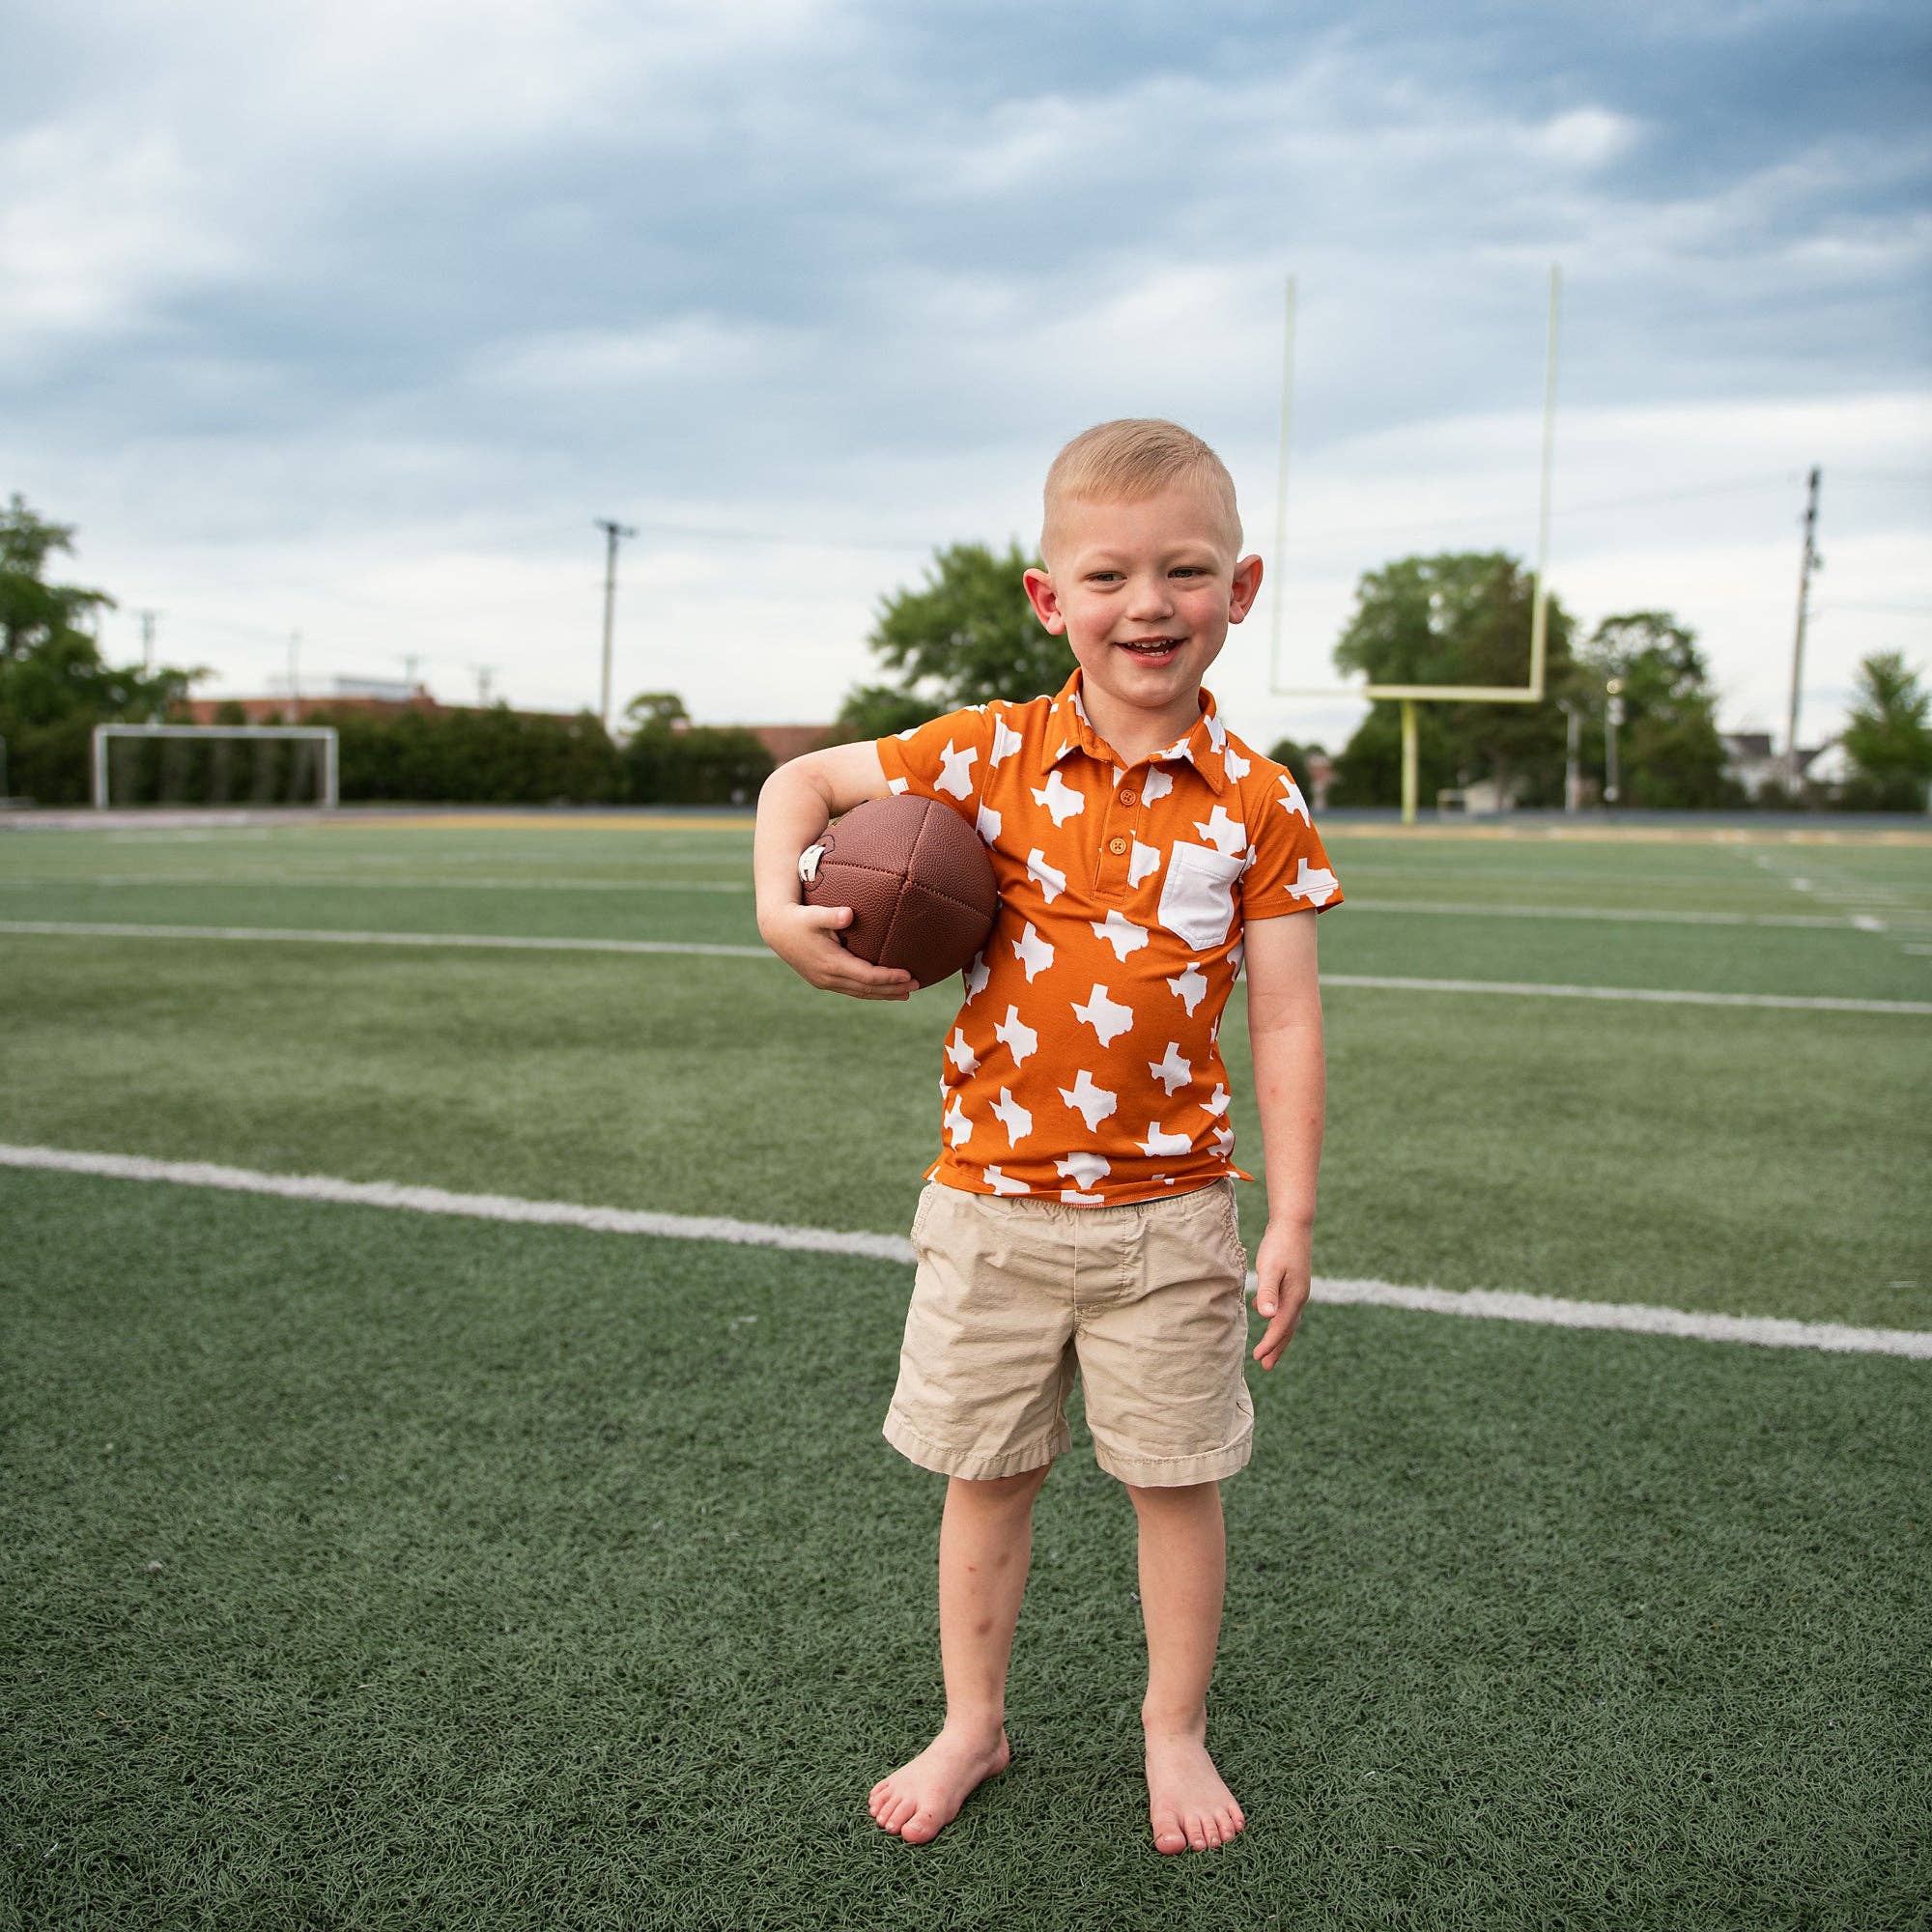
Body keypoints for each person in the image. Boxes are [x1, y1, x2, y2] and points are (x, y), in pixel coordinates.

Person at [751, 417, 1343, 1856]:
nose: (1150, 602)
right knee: (986, 1475)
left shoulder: (1257, 799)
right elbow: (803, 786)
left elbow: (1284, 1022)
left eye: (1186, 571)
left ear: (1242, 589)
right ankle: (975, 1722)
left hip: (1171, 1217)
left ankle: (1173, 1728)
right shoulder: (988, 753)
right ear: (1049, 599)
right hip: (992, 1206)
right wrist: (782, 906)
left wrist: (1294, 1215)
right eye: (1111, 574)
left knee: (1175, 1485)